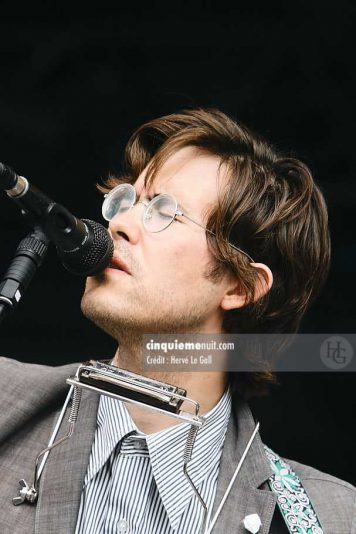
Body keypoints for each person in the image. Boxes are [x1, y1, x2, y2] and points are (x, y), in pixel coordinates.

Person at [0, 108, 355, 534]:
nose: (121, 223)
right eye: (127, 200)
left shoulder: (333, 517)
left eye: (165, 212)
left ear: (240, 286)